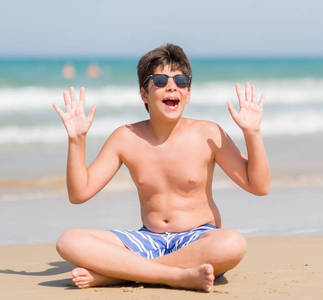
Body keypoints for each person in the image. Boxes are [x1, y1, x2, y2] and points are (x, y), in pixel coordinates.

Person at [52, 43, 270, 292]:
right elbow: (79, 194)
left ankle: (119, 275)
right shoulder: (126, 137)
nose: (172, 86)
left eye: (181, 81)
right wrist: (77, 140)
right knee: (69, 241)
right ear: (144, 94)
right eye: (159, 80)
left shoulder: (208, 133)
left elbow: (259, 186)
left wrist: (252, 133)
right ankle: (173, 275)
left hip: (198, 238)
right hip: (148, 238)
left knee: (232, 243)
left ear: (188, 93)